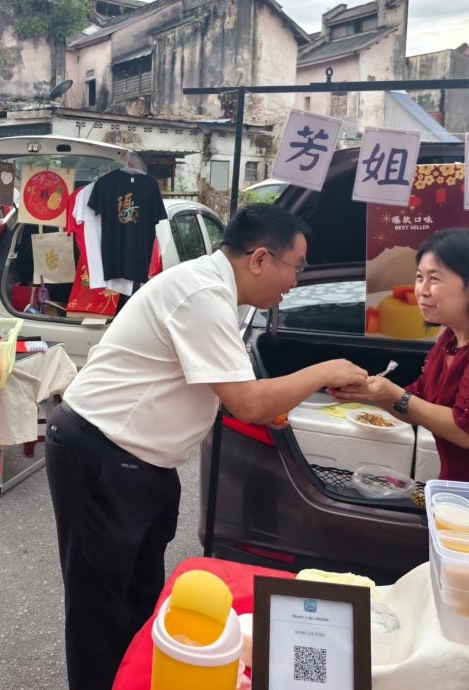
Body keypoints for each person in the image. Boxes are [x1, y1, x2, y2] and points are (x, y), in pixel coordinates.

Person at [45, 204, 368, 689]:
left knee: (139, 599)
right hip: (102, 451)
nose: (295, 283)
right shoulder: (203, 294)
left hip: (141, 461)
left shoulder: (218, 293)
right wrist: (325, 371)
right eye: (296, 267)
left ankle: (131, 679)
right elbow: (246, 402)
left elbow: (220, 387)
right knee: (101, 608)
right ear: (259, 258)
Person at [332, 227, 469, 483]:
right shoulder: (450, 338)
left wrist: (393, 394)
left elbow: (468, 432)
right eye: (419, 277)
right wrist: (371, 394)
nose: (422, 290)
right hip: (455, 484)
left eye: (434, 279)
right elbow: (417, 401)